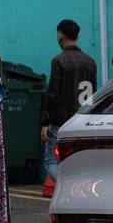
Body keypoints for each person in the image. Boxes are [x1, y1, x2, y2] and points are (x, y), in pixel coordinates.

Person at [40, 19, 97, 186]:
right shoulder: (90, 62)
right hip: (82, 122)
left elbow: (53, 94)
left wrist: (45, 123)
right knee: (77, 161)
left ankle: (70, 187)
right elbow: (92, 94)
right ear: (77, 36)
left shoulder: (58, 61)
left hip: (61, 122)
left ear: (60, 35)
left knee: (51, 162)